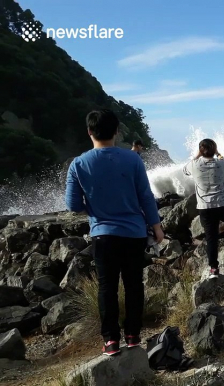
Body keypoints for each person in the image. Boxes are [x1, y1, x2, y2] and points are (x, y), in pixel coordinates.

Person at [65, 109, 164, 356]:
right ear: (117, 132)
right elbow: (146, 197)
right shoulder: (133, 160)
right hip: (133, 234)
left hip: (103, 235)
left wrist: (95, 208)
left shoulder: (78, 163)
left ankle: (110, 341)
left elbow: (73, 205)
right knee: (133, 285)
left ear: (89, 132)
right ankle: (132, 336)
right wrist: (156, 225)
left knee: (106, 287)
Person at [183, 139, 224, 278]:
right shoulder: (222, 164)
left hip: (206, 208)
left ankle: (213, 269)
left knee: (212, 238)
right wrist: (218, 153)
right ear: (214, 149)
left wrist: (197, 155)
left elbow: (185, 170)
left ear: (200, 150)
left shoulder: (194, 165)